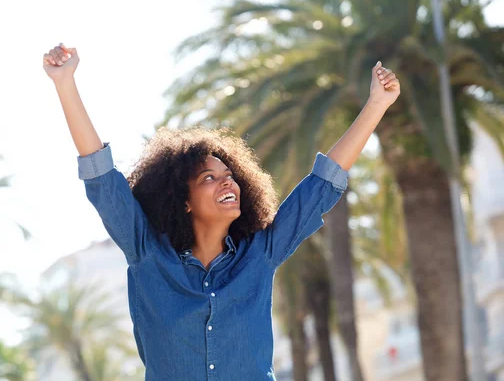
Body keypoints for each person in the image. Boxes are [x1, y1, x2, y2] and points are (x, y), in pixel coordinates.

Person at [43, 42, 400, 381]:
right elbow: (103, 179)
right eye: (209, 178)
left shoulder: (261, 253)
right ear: (183, 200)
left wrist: (376, 105)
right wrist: (65, 83)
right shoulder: (149, 255)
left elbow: (320, 185)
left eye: (230, 176)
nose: (227, 184)